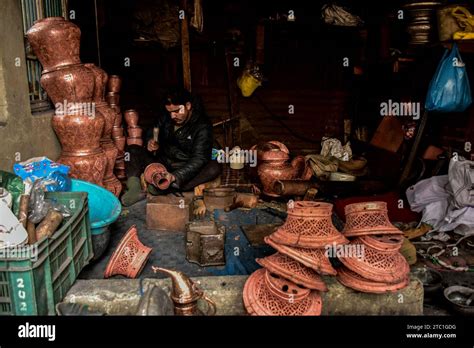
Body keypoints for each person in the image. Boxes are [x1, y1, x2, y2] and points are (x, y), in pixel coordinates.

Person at [121, 87, 220, 206]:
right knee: (132, 150)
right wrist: (150, 142)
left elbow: (199, 158)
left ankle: (166, 186)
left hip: (185, 167)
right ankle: (134, 188)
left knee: (214, 168)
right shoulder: (166, 117)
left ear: (188, 106)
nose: (173, 116)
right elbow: (152, 130)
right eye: (170, 112)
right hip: (163, 162)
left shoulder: (202, 125)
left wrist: (175, 176)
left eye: (177, 111)